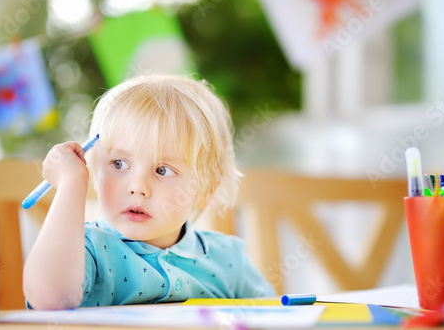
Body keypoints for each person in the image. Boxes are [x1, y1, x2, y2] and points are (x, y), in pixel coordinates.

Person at [23, 74, 274, 310]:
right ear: (95, 171)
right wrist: (70, 183)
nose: (138, 187)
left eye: (163, 170)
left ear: (207, 187)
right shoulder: (87, 251)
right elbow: (50, 298)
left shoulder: (227, 259)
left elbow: (276, 316)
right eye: (119, 164)